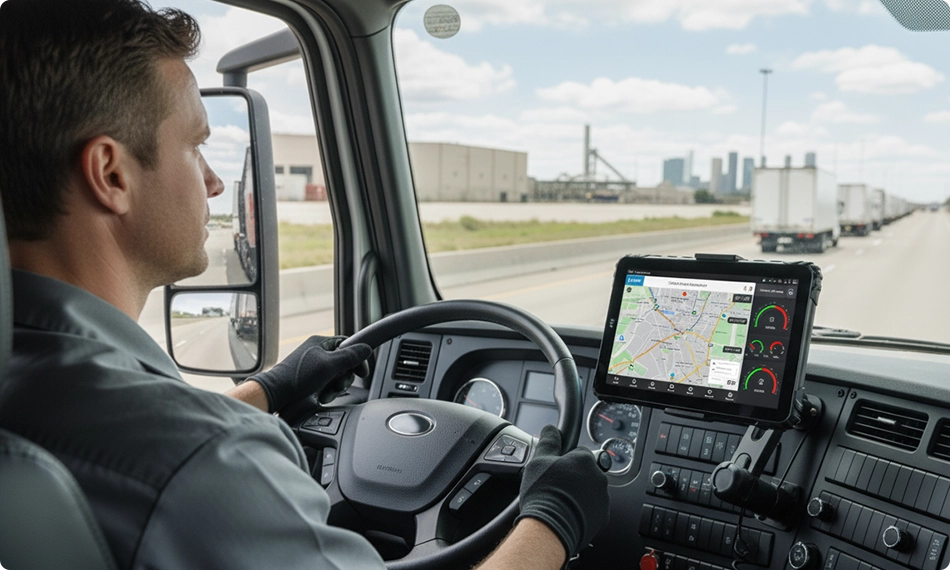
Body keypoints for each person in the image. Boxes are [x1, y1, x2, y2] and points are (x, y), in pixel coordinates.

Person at [0, 0, 609, 568]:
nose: (214, 183)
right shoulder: (210, 465)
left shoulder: (27, 374)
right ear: (111, 174)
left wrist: (263, 392)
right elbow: (173, 455)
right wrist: (551, 523)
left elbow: (123, 443)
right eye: (196, 146)